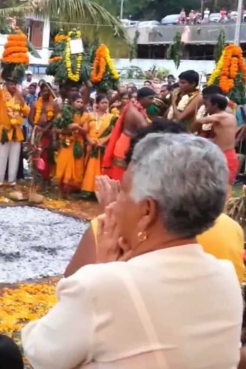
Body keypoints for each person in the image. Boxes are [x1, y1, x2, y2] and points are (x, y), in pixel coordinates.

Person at [23, 133, 242, 368]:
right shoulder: (225, 275)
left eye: (124, 191)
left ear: (147, 211)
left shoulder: (102, 285)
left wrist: (101, 271)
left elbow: (41, 353)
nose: (114, 202)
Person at [65, 119, 245, 284]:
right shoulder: (231, 230)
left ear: (147, 207)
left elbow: (73, 297)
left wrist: (114, 223)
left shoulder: (106, 231)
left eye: (126, 189)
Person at [102, 87, 153, 181]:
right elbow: (147, 130)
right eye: (150, 98)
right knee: (121, 179)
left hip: (127, 145)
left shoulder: (136, 107)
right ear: (142, 98)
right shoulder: (134, 112)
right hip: (125, 147)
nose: (152, 101)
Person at [0, 73, 30, 187]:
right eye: (10, 84)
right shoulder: (1, 96)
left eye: (15, 84)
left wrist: (21, 98)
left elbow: (27, 111)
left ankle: (12, 181)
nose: (13, 86)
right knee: (2, 157)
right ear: (6, 85)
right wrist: (3, 69)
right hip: (4, 130)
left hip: (16, 131)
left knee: (15, 157)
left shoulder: (18, 98)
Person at [194, 94, 239, 186]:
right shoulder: (229, 116)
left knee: (223, 188)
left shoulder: (220, 116)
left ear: (215, 105)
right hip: (226, 154)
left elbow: (199, 121)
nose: (206, 108)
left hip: (225, 156)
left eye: (207, 105)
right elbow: (220, 137)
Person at [54, 94, 90, 193]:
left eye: (81, 102)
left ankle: (72, 188)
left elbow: (85, 131)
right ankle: (62, 186)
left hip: (78, 144)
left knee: (77, 165)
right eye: (77, 102)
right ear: (72, 102)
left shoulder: (85, 115)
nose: (80, 104)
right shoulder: (64, 114)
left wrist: (77, 127)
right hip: (66, 142)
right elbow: (57, 129)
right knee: (63, 163)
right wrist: (67, 129)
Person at [81, 95, 115, 196]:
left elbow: (113, 132)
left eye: (106, 103)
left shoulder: (111, 117)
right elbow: (85, 131)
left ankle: (99, 192)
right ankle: (88, 190)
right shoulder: (89, 115)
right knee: (90, 168)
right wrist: (90, 140)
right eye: (102, 103)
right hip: (91, 145)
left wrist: (103, 141)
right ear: (97, 104)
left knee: (101, 169)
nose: (105, 105)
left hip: (103, 146)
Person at [29, 83, 58, 185]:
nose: (46, 92)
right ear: (40, 92)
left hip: (48, 133)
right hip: (37, 133)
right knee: (36, 154)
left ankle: (46, 179)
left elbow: (54, 119)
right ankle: (37, 178)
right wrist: (36, 128)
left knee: (46, 155)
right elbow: (30, 118)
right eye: (43, 90)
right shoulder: (35, 104)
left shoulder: (54, 104)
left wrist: (45, 129)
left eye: (47, 90)